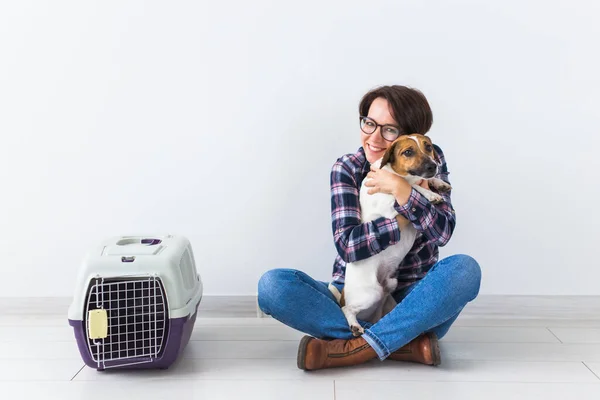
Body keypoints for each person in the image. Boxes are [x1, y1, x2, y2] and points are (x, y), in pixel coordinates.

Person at [257, 85, 481, 371]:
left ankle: (348, 348)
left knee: (465, 270)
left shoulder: (429, 157)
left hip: (416, 296)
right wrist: (403, 215)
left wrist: (403, 190)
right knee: (272, 286)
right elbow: (349, 246)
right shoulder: (348, 167)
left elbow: (443, 232)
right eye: (369, 123)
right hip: (353, 287)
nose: (373, 137)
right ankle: (405, 344)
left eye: (389, 129)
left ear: (411, 135)